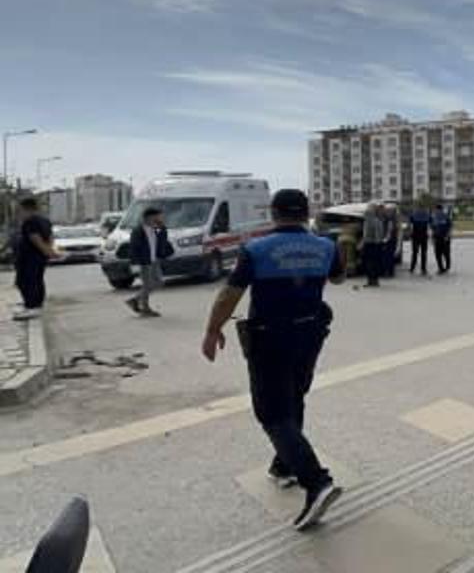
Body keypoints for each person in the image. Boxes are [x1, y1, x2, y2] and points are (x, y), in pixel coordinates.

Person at [201, 189, 344, 531]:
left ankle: (316, 481)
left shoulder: (256, 248)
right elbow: (338, 277)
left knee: (272, 412)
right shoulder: (326, 246)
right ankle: (284, 465)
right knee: (294, 397)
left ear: (274, 213)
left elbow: (230, 294)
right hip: (310, 334)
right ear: (305, 212)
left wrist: (212, 330)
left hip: (270, 337)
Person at [12, 198, 58, 320]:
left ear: (25, 209)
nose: (19, 213)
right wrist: (49, 250)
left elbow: (35, 238)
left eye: (20, 210)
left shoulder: (30, 221)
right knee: (37, 280)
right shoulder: (45, 220)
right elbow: (50, 236)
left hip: (29, 257)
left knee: (26, 281)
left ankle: (32, 306)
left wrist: (47, 251)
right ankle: (35, 305)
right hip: (39, 257)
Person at [125, 207, 174, 318]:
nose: (161, 218)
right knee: (148, 285)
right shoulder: (138, 230)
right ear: (150, 217)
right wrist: (135, 263)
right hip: (144, 261)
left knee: (158, 282)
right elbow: (134, 247)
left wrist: (162, 228)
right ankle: (145, 309)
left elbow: (163, 240)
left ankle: (135, 300)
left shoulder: (156, 229)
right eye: (158, 216)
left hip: (154, 260)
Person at [361, 203, 384, 287]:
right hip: (371, 244)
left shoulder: (374, 221)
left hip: (372, 245)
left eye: (367, 211)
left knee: (371, 264)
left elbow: (377, 235)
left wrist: (377, 244)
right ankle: (372, 280)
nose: (365, 213)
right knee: (371, 264)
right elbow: (365, 234)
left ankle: (373, 281)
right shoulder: (368, 221)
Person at [408, 205, 432, 275]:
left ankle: (412, 267)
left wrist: (410, 233)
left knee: (415, 252)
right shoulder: (427, 215)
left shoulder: (414, 214)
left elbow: (410, 224)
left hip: (415, 235)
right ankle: (423, 268)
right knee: (423, 253)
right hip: (424, 236)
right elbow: (430, 223)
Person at [431, 204, 452, 274]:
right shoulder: (434, 217)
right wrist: (432, 238)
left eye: (437, 210)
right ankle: (441, 268)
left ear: (440, 210)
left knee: (446, 253)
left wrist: (447, 236)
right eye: (436, 210)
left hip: (445, 238)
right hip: (437, 238)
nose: (436, 211)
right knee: (438, 254)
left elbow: (450, 227)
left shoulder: (446, 217)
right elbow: (433, 229)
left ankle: (447, 267)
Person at [382, 205, 400, 279]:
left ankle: (387, 272)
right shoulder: (394, 219)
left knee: (387, 256)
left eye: (388, 211)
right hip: (392, 240)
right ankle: (390, 272)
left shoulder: (389, 220)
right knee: (390, 256)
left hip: (389, 240)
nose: (387, 212)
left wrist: (385, 240)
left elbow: (389, 230)